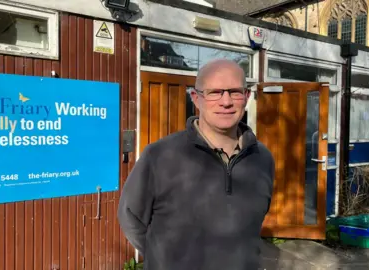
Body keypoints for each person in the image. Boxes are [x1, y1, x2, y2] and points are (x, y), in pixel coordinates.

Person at [117, 59, 275, 270]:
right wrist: (163, 258)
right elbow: (130, 217)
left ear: (246, 97)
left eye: (235, 92)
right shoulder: (160, 156)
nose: (226, 101)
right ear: (196, 98)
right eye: (214, 92)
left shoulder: (262, 158)